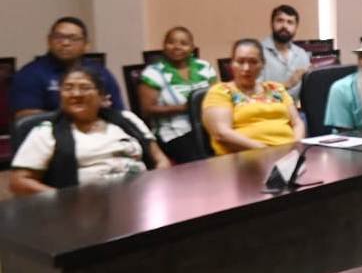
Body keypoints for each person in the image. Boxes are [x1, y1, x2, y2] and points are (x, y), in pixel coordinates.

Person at [11, 67, 171, 195]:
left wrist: (157, 187)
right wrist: (64, 200)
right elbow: (19, 182)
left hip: (142, 196)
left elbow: (160, 159)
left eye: (85, 87)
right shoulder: (46, 132)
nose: (75, 94)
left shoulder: (127, 119)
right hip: (85, 209)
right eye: (68, 88)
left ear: (102, 96)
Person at [10, 17, 127, 122]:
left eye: (73, 38)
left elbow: (118, 111)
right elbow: (26, 119)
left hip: (99, 133)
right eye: (58, 37)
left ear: (86, 45)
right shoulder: (30, 74)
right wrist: (79, 113)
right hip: (50, 135)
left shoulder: (100, 72)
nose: (65, 43)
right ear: (49, 41)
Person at [202, 38, 306, 155]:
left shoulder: (276, 88)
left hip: (289, 155)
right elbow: (221, 133)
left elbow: (297, 122)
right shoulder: (220, 91)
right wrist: (268, 151)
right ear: (232, 64)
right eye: (240, 62)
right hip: (246, 158)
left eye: (253, 62)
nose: (246, 68)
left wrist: (296, 149)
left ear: (263, 64)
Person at [138, 26, 218, 163]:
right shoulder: (153, 73)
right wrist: (185, 108)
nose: (177, 47)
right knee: (201, 162)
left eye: (184, 43)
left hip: (208, 127)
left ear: (192, 47)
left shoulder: (204, 67)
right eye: (171, 42)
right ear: (164, 46)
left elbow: (218, 96)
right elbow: (146, 110)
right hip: (173, 133)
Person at [259, 4, 311, 100]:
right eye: (280, 21)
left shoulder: (301, 54)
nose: (284, 26)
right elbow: (253, 94)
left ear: (296, 27)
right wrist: (287, 85)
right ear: (272, 24)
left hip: (295, 108)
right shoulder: (257, 52)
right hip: (265, 107)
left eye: (290, 22)